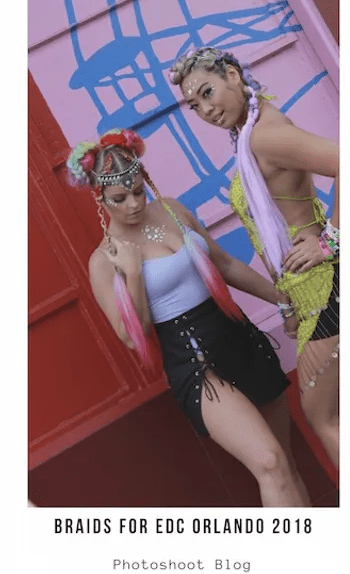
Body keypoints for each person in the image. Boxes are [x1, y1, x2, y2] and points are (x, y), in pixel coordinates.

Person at [66, 127, 311, 507]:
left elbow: (225, 264)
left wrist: (281, 299)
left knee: (286, 463)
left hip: (235, 336)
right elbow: (132, 336)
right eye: (119, 198)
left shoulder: (172, 210)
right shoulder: (103, 261)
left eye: (137, 191)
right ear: (100, 198)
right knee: (269, 461)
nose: (132, 204)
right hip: (196, 365)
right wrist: (132, 274)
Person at [168, 46, 339, 469]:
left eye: (208, 92)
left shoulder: (265, 135)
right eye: (195, 105)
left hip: (326, 294)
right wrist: (287, 300)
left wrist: (331, 241)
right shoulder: (251, 133)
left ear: (232, 74)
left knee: (326, 417)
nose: (205, 109)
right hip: (309, 297)